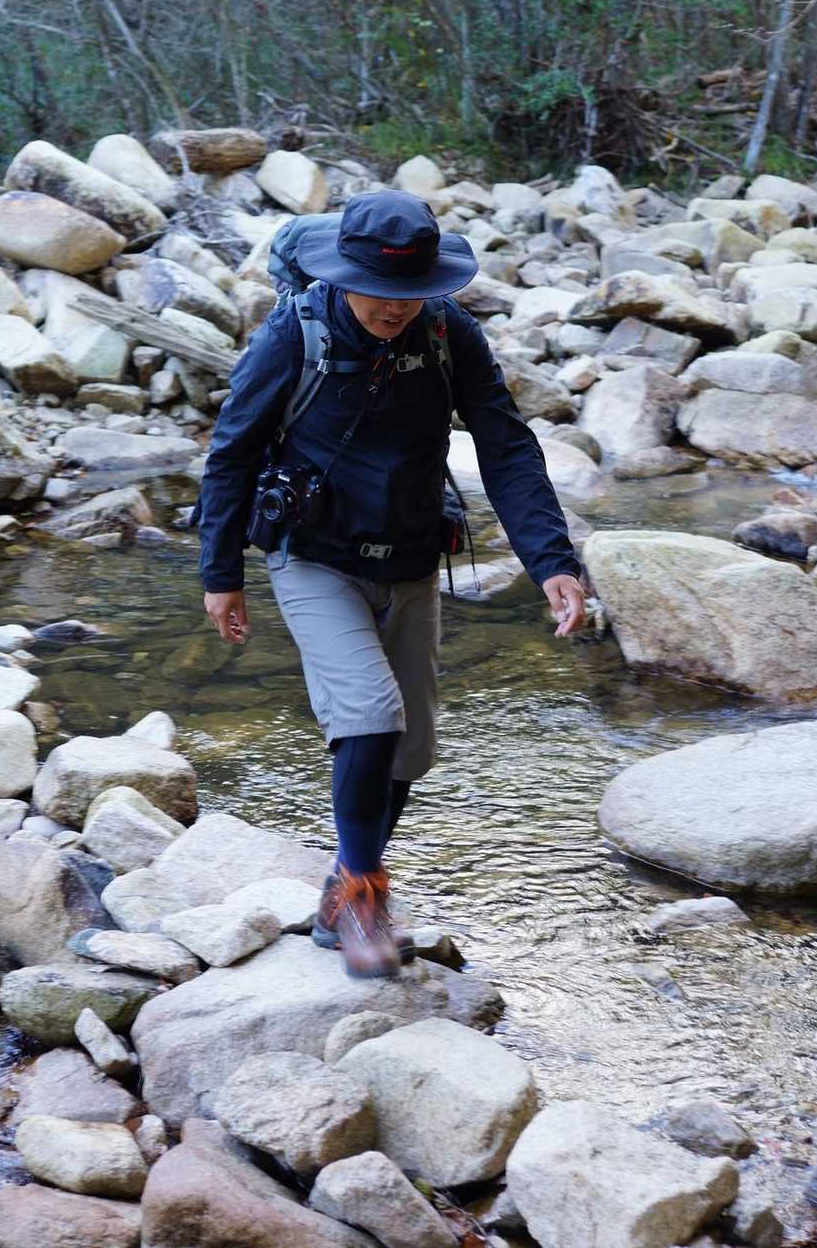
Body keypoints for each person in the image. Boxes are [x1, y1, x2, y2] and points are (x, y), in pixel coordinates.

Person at [198, 190, 587, 979]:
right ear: (343, 274)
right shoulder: (296, 331)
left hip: (411, 555)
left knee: (409, 748)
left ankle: (341, 892)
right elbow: (232, 449)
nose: (395, 306)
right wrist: (222, 571)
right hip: (313, 555)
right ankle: (364, 897)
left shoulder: (448, 332)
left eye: (412, 292)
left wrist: (552, 560)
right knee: (370, 714)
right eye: (379, 289)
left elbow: (506, 445)